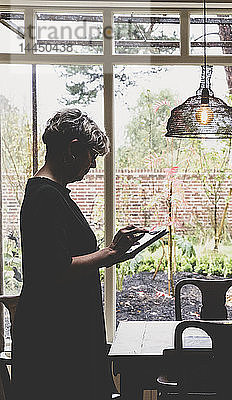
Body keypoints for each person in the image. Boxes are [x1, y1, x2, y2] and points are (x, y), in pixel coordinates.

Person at [11, 109, 147, 400]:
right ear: (73, 149)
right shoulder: (46, 196)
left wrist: (113, 253)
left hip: (62, 331)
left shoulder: (52, 193)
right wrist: (111, 251)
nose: (93, 166)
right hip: (56, 338)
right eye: (92, 156)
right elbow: (55, 269)